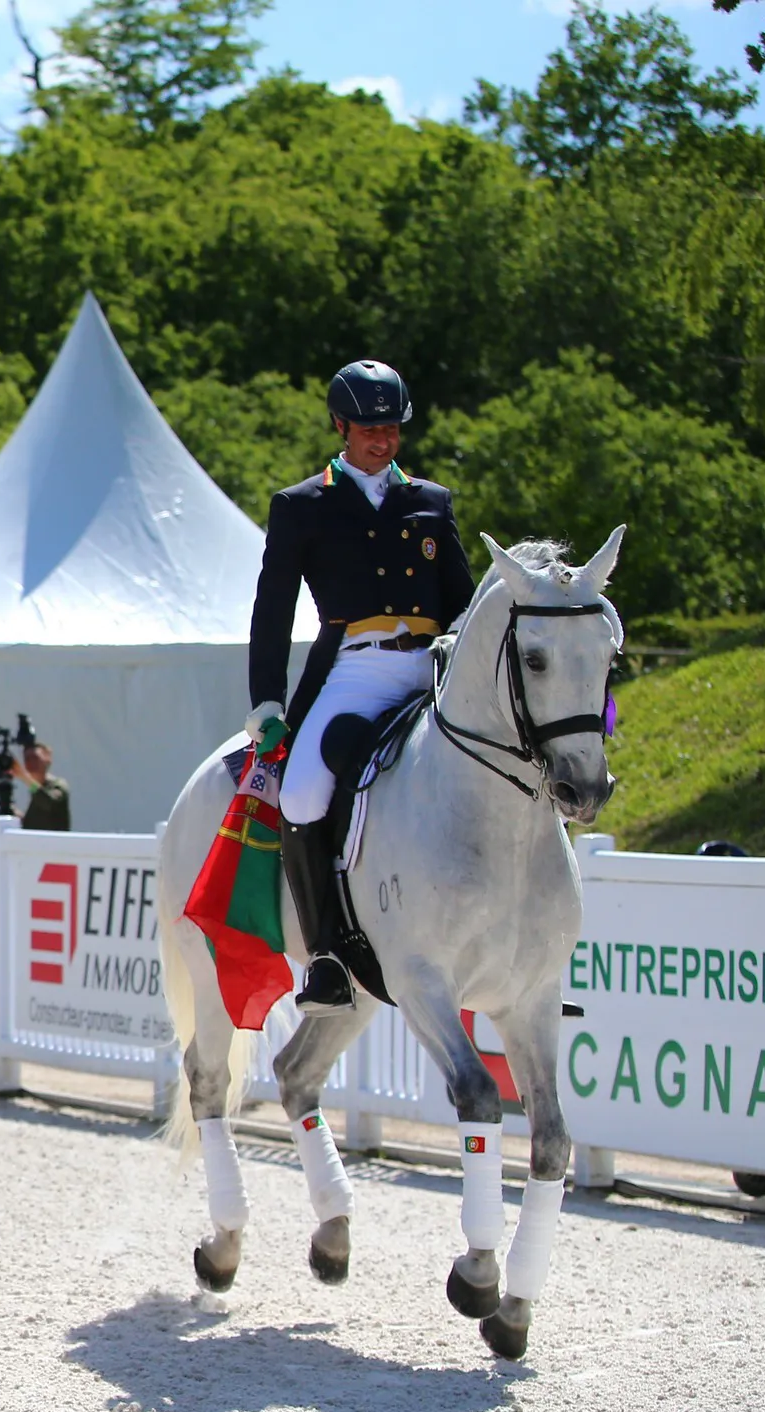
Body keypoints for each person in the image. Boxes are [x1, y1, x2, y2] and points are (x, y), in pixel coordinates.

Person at [247, 360, 475, 1016]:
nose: (383, 440)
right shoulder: (302, 505)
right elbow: (273, 607)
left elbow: (461, 600)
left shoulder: (431, 500)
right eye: (370, 428)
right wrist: (266, 700)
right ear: (341, 426)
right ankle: (325, 955)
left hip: (432, 665)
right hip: (356, 666)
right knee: (302, 792)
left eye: (393, 428)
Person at [12, 741, 70, 831]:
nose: (31, 762)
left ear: (47, 759)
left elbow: (48, 802)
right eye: (27, 759)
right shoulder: (34, 788)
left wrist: (25, 778)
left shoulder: (58, 784)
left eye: (35, 758)